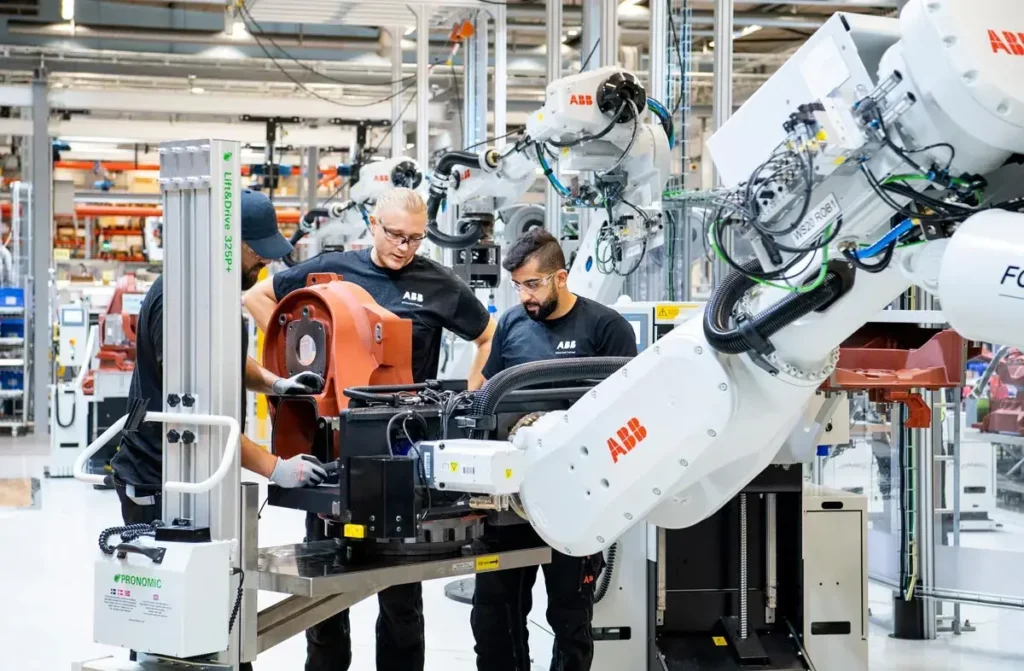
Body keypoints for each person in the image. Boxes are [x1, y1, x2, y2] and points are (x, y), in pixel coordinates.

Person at [244, 187, 497, 671]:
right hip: (328, 448)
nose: (405, 247)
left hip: (401, 454)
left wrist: (466, 398)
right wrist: (294, 358)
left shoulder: (438, 283)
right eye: (396, 234)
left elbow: (488, 336)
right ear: (374, 224)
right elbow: (257, 295)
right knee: (322, 590)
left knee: (401, 593)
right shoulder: (334, 269)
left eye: (416, 239)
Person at [470, 228, 638, 671]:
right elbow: (488, 395)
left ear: (560, 277)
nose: (524, 295)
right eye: (518, 285)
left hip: (575, 498)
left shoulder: (606, 329)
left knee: (570, 619)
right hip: (511, 498)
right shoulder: (510, 324)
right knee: (494, 619)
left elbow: (626, 415)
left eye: (533, 284)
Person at [111, 189, 329, 526]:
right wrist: (276, 467)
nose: (266, 261)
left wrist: (278, 384)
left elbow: (226, 359)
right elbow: (199, 415)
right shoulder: (181, 300)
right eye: (258, 250)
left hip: (202, 472)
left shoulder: (217, 292)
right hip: (161, 482)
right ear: (229, 243)